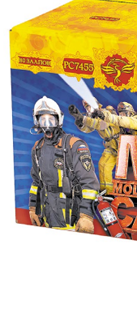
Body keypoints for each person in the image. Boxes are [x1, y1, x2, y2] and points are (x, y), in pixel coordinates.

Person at [28, 96, 99, 232]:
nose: (47, 124)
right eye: (43, 120)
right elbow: (36, 182)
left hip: (72, 222)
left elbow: (90, 184)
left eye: (51, 119)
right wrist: (33, 208)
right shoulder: (37, 148)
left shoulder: (74, 145)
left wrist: (86, 215)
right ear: (37, 122)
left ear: (59, 120)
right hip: (48, 220)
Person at [69, 100, 121, 194]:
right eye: (87, 107)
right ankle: (107, 192)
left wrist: (84, 119)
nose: (89, 109)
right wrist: (80, 121)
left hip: (121, 143)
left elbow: (101, 124)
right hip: (111, 146)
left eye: (90, 106)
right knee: (103, 164)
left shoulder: (105, 113)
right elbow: (88, 129)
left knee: (130, 170)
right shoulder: (92, 118)